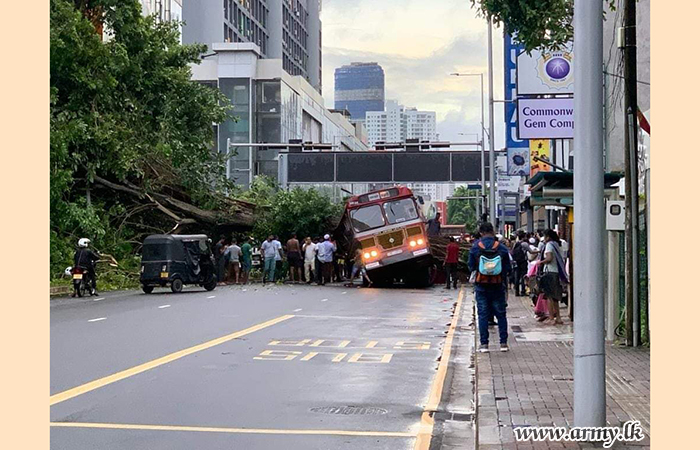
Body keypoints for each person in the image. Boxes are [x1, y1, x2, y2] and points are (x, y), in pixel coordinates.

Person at [468, 222, 512, 353]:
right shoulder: (502, 248)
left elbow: (470, 266)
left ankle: (484, 345)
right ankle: (503, 343)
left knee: (482, 315)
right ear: (492, 231)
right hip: (498, 286)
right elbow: (508, 268)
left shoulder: (476, 247)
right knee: (501, 315)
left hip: (481, 286)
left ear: (481, 233)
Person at [536, 229, 568, 325]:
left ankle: (551, 318)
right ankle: (558, 317)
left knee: (549, 296)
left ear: (548, 237)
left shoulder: (549, 245)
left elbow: (549, 258)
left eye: (544, 236)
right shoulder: (558, 244)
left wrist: (540, 262)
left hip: (550, 272)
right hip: (557, 273)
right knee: (555, 297)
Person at [512, 232, 529, 296]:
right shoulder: (525, 244)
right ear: (524, 237)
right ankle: (523, 291)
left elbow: (513, 251)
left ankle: (516, 291)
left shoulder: (516, 243)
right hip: (523, 261)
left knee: (517, 276)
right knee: (523, 276)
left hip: (517, 261)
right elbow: (530, 251)